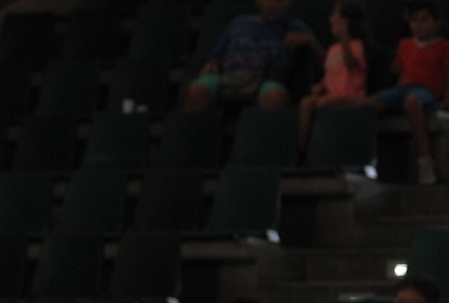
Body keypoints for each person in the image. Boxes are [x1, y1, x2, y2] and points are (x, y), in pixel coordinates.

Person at [363, 1, 449, 185]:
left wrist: (446, 100)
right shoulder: (405, 45)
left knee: (412, 101)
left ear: (436, 22)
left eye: (424, 19)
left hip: (426, 90)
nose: (419, 25)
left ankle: (424, 161)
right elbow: (398, 71)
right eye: (414, 20)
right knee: (369, 103)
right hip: (402, 88)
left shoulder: (443, 47)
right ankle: (367, 160)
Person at [183, 0, 324, 111]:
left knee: (275, 96)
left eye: (279, 1)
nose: (273, 4)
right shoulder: (239, 23)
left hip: (265, 81)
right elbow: (217, 56)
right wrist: (213, 64)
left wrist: (310, 42)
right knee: (197, 90)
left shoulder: (295, 26)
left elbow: (324, 64)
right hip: (228, 77)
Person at [298, 0, 369, 152]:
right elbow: (330, 73)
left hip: (350, 96)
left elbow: (351, 64)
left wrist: (345, 38)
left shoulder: (357, 45)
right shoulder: (332, 49)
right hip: (330, 94)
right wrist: (320, 86)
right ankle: (301, 148)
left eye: (335, 15)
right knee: (306, 103)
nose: (331, 20)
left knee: (323, 104)